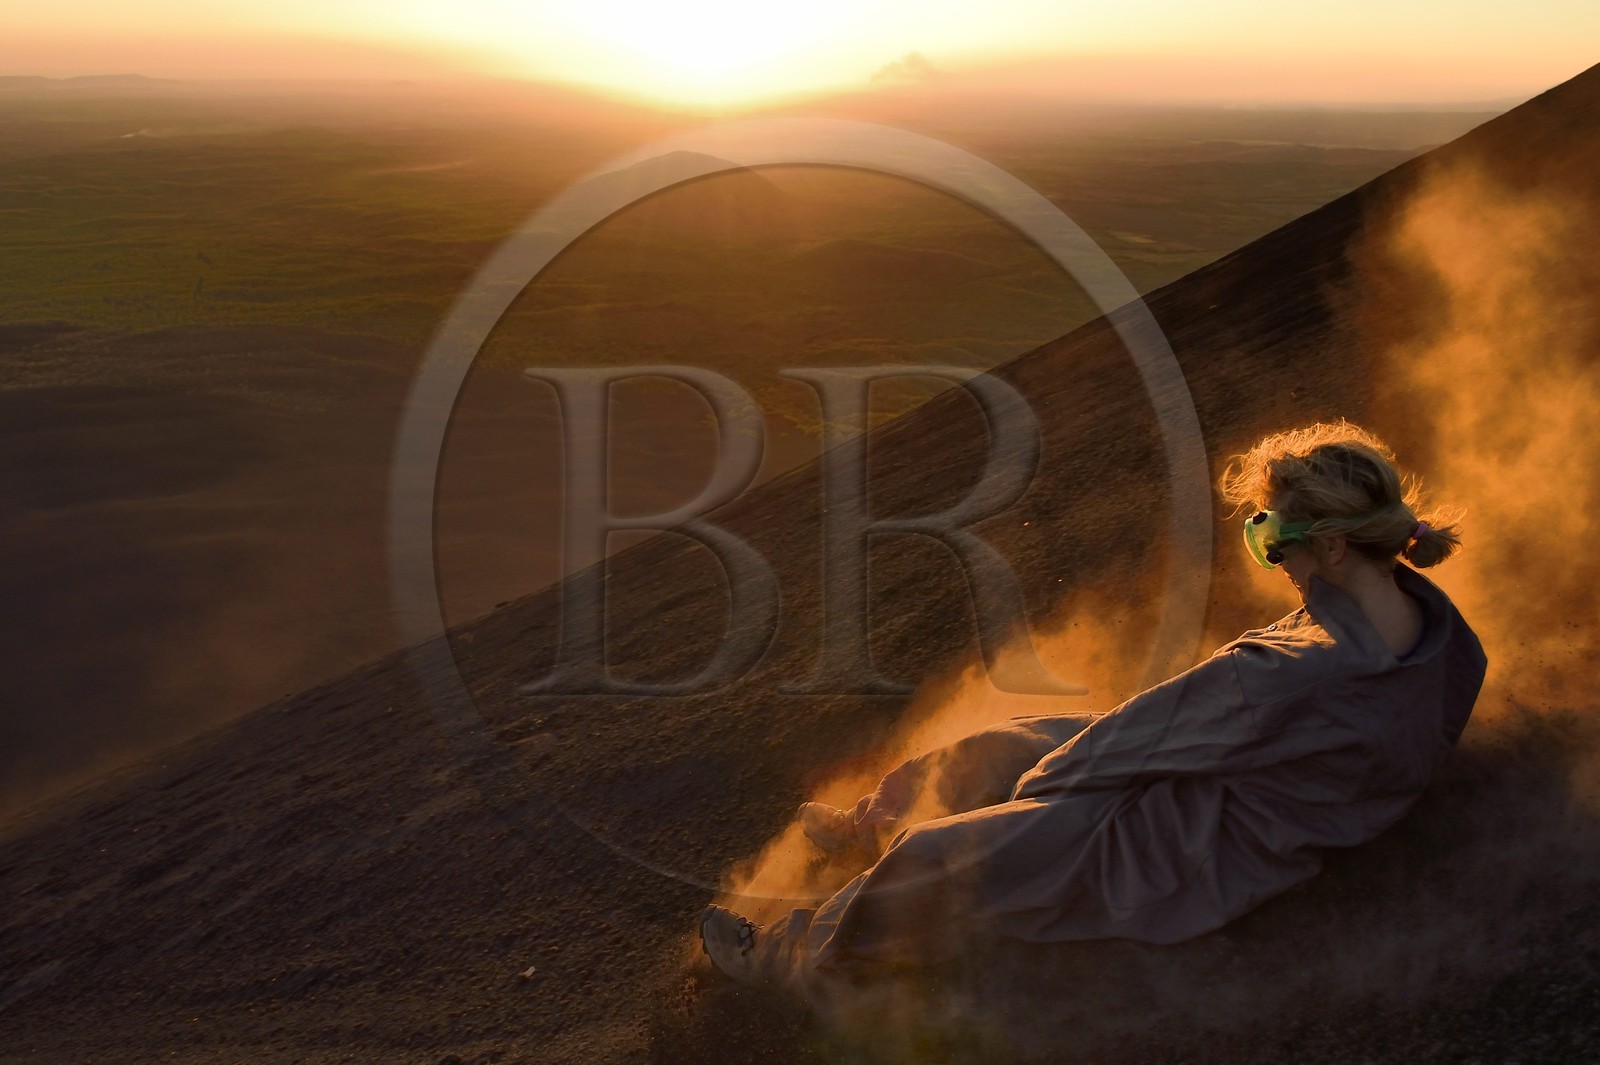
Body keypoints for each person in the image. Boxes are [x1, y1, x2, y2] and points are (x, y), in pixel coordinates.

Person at [698, 420, 1489, 984]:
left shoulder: (1288, 668)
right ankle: (873, 823)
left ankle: (785, 959)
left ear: (1334, 544)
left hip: (1203, 846)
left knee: (940, 851)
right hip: (1259, 789)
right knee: (1000, 740)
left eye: (1272, 534)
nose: (1270, 553)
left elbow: (1116, 750)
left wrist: (1027, 806)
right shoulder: (1446, 635)